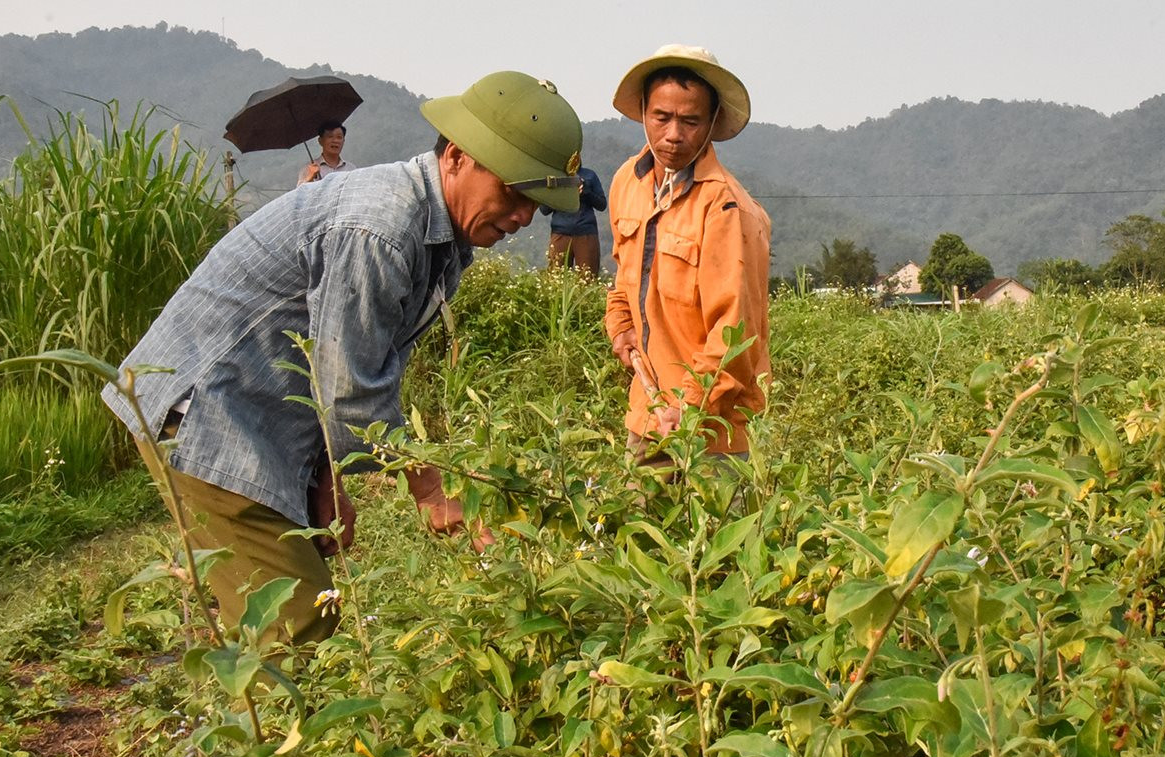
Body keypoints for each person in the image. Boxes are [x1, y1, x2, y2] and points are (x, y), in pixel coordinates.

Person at [106, 72, 585, 646]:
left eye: (535, 205)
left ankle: (247, 720)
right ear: (457, 157)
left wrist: (326, 477)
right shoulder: (380, 228)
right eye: (512, 193)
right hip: (209, 414)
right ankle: (256, 729)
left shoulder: (445, 240)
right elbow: (350, 386)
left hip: (262, 417)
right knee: (298, 625)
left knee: (277, 614)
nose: (520, 218)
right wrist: (429, 489)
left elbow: (360, 355)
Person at [602, 45, 771, 466]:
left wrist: (691, 407)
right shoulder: (628, 181)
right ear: (643, 112)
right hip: (646, 416)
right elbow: (624, 276)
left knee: (713, 531)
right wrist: (620, 325)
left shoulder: (727, 208)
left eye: (690, 121)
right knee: (633, 528)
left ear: (711, 123)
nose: (673, 135)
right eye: (661, 117)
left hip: (711, 431)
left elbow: (735, 332)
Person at [546, 164, 608, 273]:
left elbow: (602, 205)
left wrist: (586, 192)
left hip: (586, 232)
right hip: (560, 233)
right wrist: (558, 190)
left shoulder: (590, 176)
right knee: (556, 280)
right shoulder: (555, 176)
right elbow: (544, 209)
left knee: (588, 278)